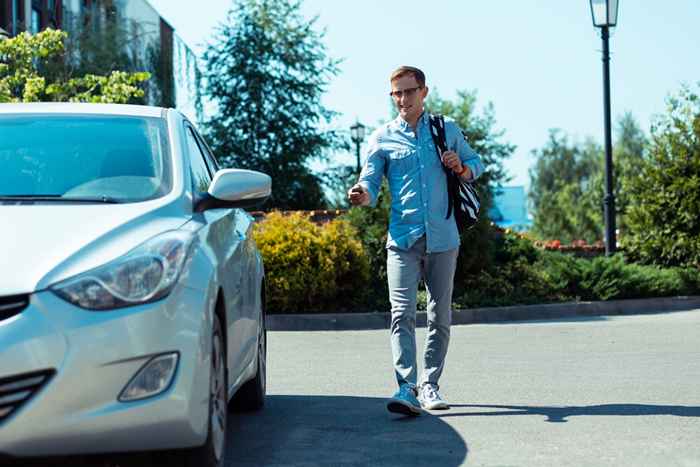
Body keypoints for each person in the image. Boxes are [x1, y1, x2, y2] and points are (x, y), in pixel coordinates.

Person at [347, 66, 484, 416]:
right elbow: (370, 181)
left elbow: (475, 163)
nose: (403, 99)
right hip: (402, 237)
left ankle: (430, 383)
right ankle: (406, 387)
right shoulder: (382, 138)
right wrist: (362, 194)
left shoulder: (445, 129)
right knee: (401, 313)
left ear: (424, 92)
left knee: (440, 314)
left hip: (443, 236)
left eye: (409, 92)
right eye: (397, 93)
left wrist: (460, 168)